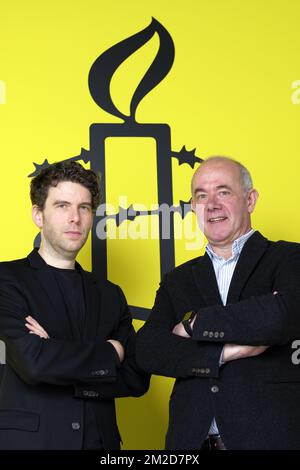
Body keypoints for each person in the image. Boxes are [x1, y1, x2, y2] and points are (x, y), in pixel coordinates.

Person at [136, 156, 300, 450]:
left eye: (223, 192)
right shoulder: (178, 279)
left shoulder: (290, 259)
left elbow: (280, 317)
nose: (211, 204)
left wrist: (194, 324)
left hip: (270, 439)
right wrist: (224, 353)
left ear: (250, 200)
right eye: (201, 195)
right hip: (190, 443)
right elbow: (149, 349)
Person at [0, 161, 149, 450]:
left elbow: (135, 377)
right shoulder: (6, 281)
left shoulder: (110, 294)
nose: (75, 218)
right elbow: (33, 363)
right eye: (62, 206)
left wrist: (54, 352)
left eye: (84, 207)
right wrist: (110, 353)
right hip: (33, 444)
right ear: (38, 215)